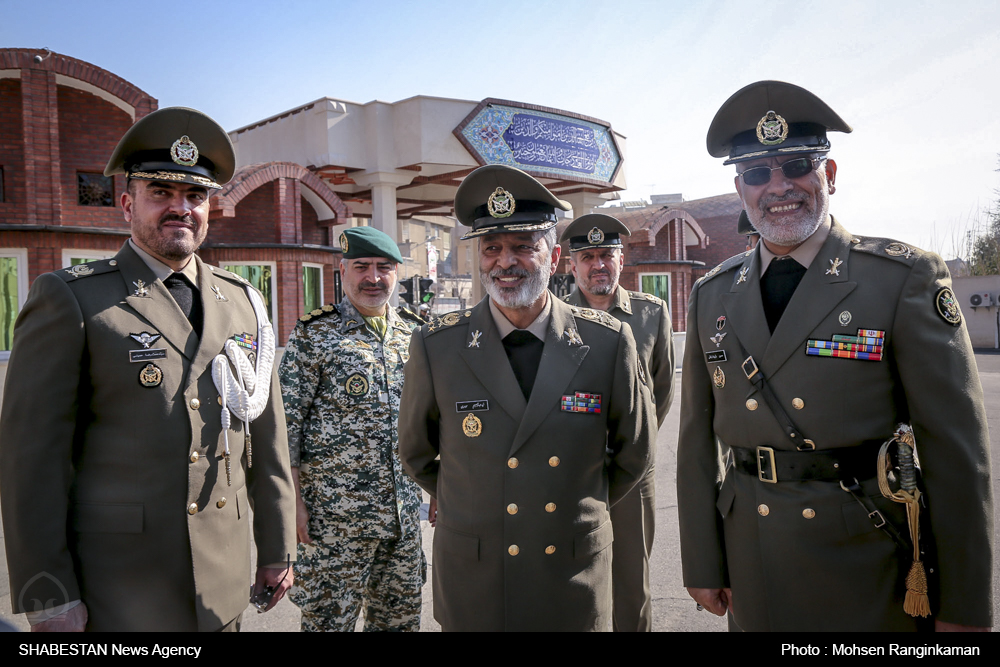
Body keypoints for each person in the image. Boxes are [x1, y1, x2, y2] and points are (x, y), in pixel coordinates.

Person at [677, 80, 994, 631]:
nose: (778, 187)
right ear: (740, 188)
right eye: (757, 173)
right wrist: (702, 560)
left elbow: (956, 455)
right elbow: (695, 444)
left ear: (830, 175)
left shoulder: (900, 279)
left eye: (797, 165)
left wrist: (964, 605)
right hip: (753, 556)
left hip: (867, 556)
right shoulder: (711, 294)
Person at [0, 107, 296, 632]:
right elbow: (32, 462)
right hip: (119, 588)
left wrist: (277, 547)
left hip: (222, 582)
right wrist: (47, 595)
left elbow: (267, 438)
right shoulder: (73, 299)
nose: (180, 208)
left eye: (194, 196)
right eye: (161, 192)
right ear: (126, 203)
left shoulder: (244, 302)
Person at [398, 164, 655, 631]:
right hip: (476, 574)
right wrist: (478, 498)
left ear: (554, 256)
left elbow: (634, 452)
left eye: (523, 246)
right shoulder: (438, 345)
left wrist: (570, 499)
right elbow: (416, 453)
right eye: (491, 247)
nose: (505, 261)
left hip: (570, 569)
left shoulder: (607, 342)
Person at [279, 226, 425, 632]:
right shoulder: (315, 335)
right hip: (333, 523)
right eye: (361, 266)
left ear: (397, 273)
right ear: (342, 271)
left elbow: (434, 422)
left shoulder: (416, 335)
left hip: (402, 519)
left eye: (383, 267)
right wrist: (292, 505)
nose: (373, 278)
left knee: (400, 623)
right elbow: (286, 426)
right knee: (328, 624)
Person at [559, 213, 674, 632]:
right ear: (571, 265)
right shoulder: (549, 316)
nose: (598, 264)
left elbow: (659, 392)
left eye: (606, 254)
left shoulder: (651, 313)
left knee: (630, 579)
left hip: (632, 470)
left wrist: (633, 447)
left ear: (622, 260)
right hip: (567, 468)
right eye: (587, 256)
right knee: (568, 574)